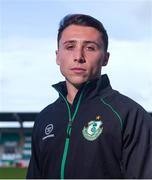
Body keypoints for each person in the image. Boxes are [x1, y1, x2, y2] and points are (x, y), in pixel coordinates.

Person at [26, 14, 152, 179]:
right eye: (70, 46)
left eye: (90, 47)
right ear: (58, 56)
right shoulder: (45, 117)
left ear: (105, 58)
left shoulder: (130, 115)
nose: (78, 56)